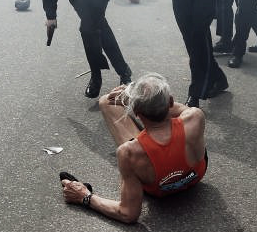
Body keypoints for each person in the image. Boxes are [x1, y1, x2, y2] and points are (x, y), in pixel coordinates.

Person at [60, 73, 207, 224]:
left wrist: (85, 197)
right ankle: (153, 108)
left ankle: (147, 116)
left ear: (135, 112)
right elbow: (181, 109)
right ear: (170, 101)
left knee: (107, 101)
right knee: (169, 121)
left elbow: (128, 213)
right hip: (195, 175)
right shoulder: (196, 116)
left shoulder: (128, 152)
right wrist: (150, 100)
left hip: (160, 190)